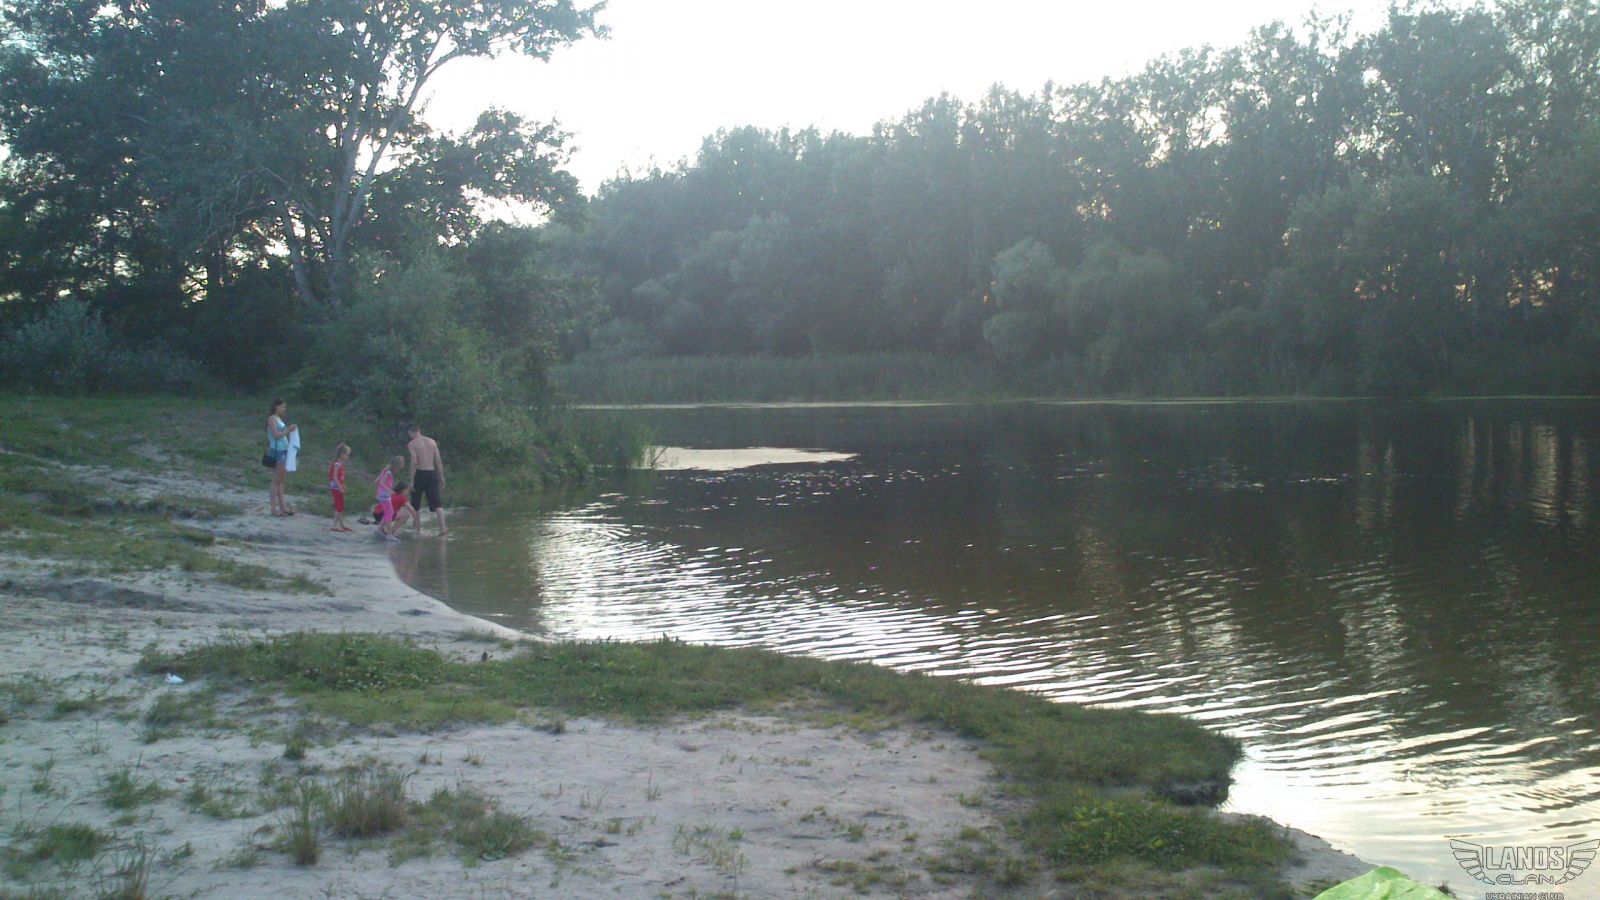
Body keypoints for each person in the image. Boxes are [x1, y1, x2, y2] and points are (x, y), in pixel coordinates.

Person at [405, 423, 447, 534]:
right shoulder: (432, 442)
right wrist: (441, 476)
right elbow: (438, 460)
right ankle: (443, 528)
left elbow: (414, 462)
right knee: (437, 502)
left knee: (416, 503)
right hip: (432, 473)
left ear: (411, 432)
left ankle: (417, 529)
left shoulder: (412, 444)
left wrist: (412, 480)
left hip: (420, 473)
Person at [266, 398, 298, 517]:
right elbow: (276, 435)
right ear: (276, 406)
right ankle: (273, 508)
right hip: (277, 451)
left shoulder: (279, 419)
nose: (284, 409)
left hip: (284, 450)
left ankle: (283, 506)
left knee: (281, 480)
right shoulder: (272, 419)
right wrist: (288, 430)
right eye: (282, 406)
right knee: (276, 480)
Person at [373, 454, 404, 532]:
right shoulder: (388, 473)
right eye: (398, 468)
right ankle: (389, 534)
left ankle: (380, 530)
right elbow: (381, 482)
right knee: (389, 513)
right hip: (385, 496)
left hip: (382, 495)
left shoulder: (385, 470)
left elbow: (376, 481)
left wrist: (378, 491)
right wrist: (389, 490)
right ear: (395, 467)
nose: (398, 470)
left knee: (387, 512)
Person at [328, 444, 353, 532]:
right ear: (342, 454)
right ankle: (334, 525)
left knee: (340, 505)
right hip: (335, 487)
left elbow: (340, 478)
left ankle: (341, 524)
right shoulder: (337, 464)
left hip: (338, 486)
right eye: (347, 455)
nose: (347, 457)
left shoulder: (340, 464)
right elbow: (335, 477)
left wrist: (343, 486)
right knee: (339, 505)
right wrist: (340, 487)